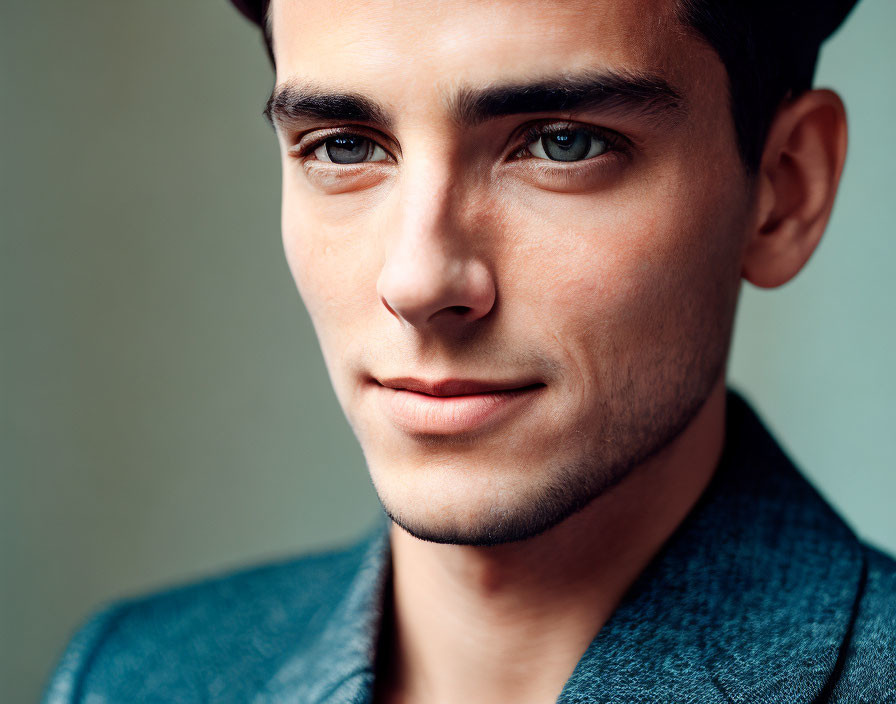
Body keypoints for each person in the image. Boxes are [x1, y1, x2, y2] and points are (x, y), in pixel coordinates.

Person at [43, 0, 895, 702]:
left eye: (563, 142)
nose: (418, 280)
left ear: (785, 191)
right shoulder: (129, 675)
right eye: (344, 146)